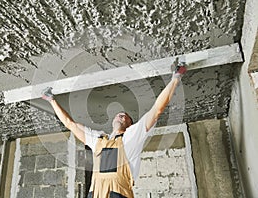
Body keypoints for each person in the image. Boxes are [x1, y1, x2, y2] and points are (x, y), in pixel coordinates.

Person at [42, 62, 187, 198]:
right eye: (119, 115)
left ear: (130, 125)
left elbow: (156, 110)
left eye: (126, 117)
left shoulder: (131, 137)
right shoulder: (98, 140)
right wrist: (51, 100)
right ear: (112, 122)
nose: (122, 115)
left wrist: (175, 78)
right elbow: (70, 124)